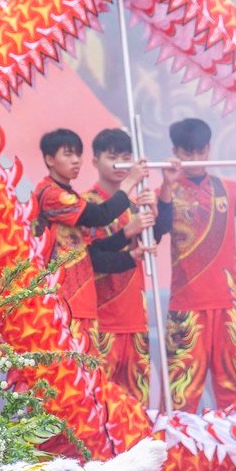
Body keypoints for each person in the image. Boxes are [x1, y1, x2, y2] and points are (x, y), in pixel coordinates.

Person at [160, 118, 236, 416]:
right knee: (180, 394)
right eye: (188, 154)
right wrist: (166, 185)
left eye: (201, 152)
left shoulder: (231, 189)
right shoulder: (167, 192)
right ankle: (175, 462)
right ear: (175, 151)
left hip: (230, 307)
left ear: (209, 149)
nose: (196, 160)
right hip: (187, 308)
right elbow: (156, 232)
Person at [84, 128, 170, 405]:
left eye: (125, 157)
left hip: (135, 320)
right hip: (101, 322)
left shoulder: (136, 205)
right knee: (99, 404)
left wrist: (155, 209)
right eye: (112, 157)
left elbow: (154, 237)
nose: (120, 164)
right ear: (95, 161)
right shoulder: (87, 205)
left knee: (136, 406)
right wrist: (129, 232)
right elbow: (91, 257)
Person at [31, 128, 135, 343]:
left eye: (78, 154)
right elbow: (100, 215)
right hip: (61, 297)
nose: (76, 160)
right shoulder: (51, 194)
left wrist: (128, 233)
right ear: (50, 159)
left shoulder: (71, 196)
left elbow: (88, 250)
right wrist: (128, 184)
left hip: (80, 297)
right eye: (68, 154)